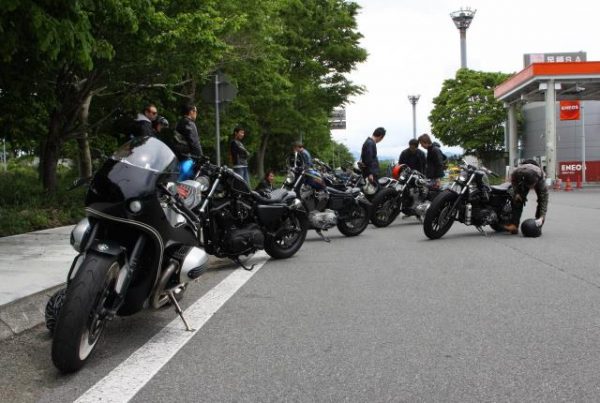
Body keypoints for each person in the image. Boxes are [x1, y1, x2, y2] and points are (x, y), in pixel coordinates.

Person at [503, 160, 548, 234]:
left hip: (536, 174)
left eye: (532, 186)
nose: (531, 188)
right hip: (523, 175)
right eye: (529, 186)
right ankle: (514, 225)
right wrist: (517, 193)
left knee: (541, 201)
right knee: (517, 199)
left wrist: (542, 216)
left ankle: (538, 225)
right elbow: (513, 181)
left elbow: (544, 200)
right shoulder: (517, 173)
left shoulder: (540, 179)